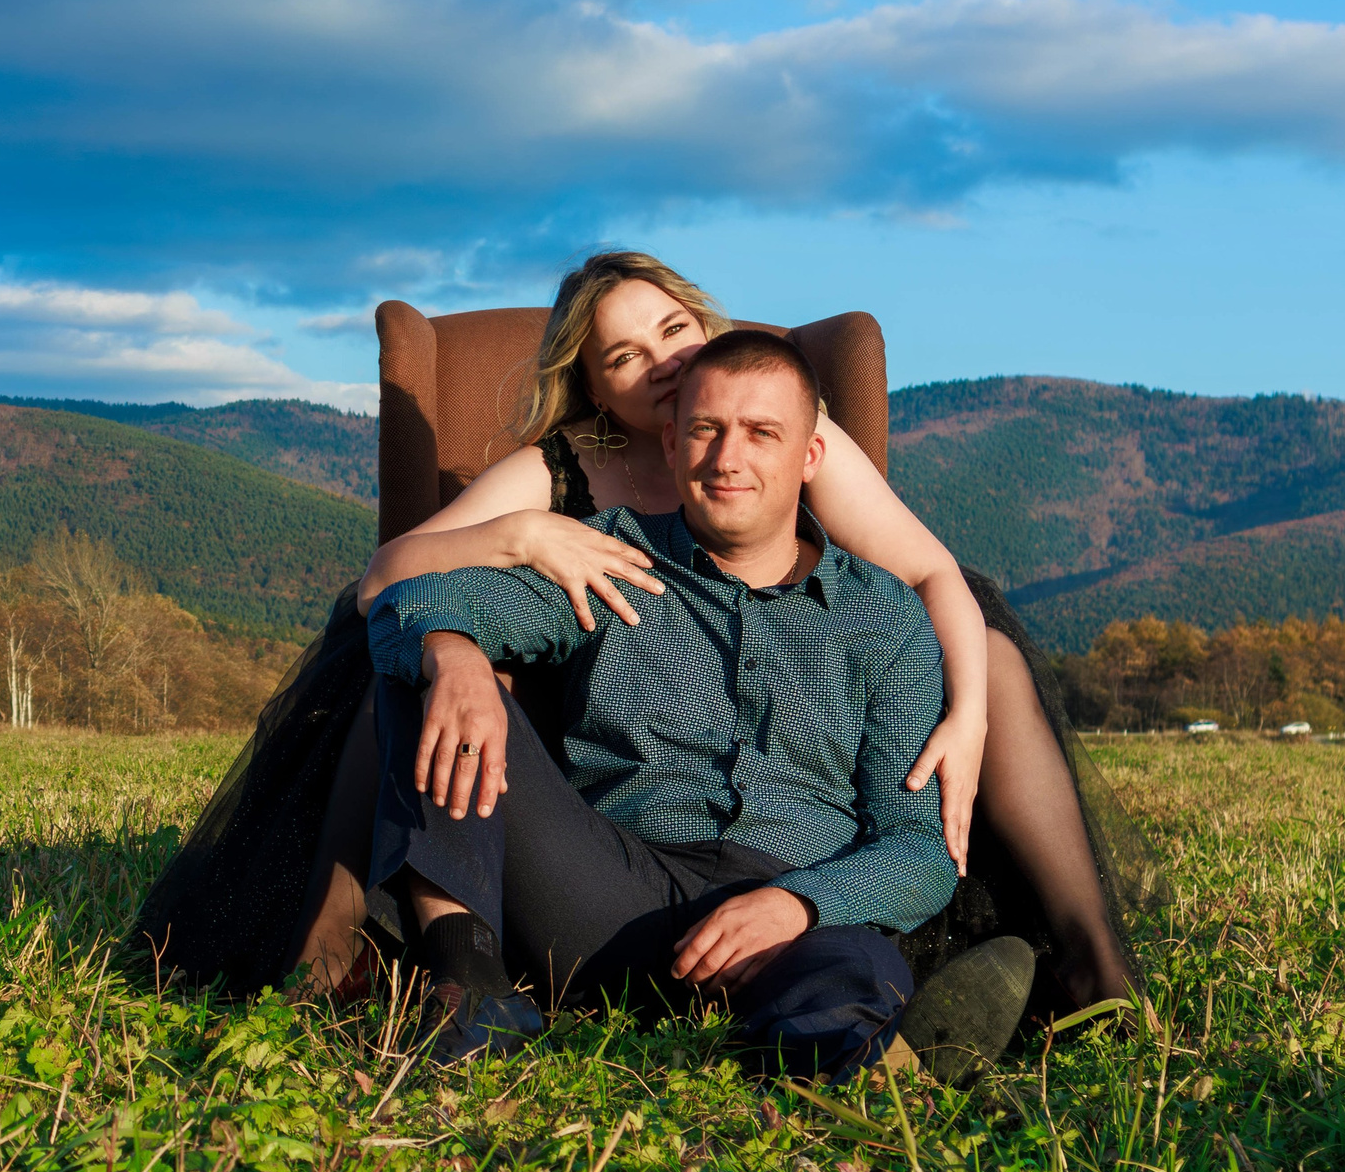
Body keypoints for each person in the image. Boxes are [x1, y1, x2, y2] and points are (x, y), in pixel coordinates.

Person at [131, 252, 1159, 1025]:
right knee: (418, 642)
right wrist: (521, 537)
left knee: (988, 650)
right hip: (604, 791)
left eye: (673, 329)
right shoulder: (571, 473)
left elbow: (930, 571)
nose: (665, 363)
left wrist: (968, 712)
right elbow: (391, 580)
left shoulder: (788, 435)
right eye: (627, 353)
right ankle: (377, 939)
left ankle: (1075, 965)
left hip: (810, 757)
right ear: (598, 385)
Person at [365, 329, 1035, 1075]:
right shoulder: (608, 556)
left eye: (761, 434)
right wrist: (455, 657)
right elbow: (411, 597)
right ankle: (471, 991)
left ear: (810, 456)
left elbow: (918, 847)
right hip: (606, 901)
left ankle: (865, 1058)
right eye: (706, 429)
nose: (727, 458)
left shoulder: (882, 617)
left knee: (853, 961)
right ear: (672, 438)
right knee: (424, 674)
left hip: (789, 912)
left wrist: (799, 904)